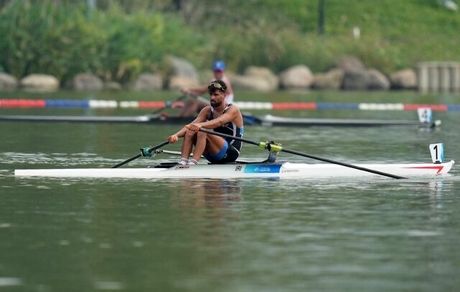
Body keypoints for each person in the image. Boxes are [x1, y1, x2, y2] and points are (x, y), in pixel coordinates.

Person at [167, 80, 244, 166]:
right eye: (211, 95)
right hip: (213, 154)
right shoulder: (207, 111)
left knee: (201, 130)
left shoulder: (233, 109)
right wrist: (176, 135)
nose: (212, 98)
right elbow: (190, 126)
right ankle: (183, 161)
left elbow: (219, 121)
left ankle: (193, 163)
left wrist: (199, 125)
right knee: (190, 130)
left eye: (216, 95)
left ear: (224, 95)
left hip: (230, 152)